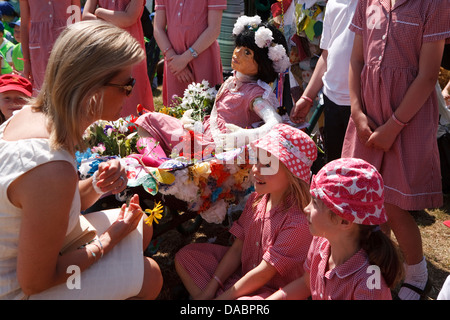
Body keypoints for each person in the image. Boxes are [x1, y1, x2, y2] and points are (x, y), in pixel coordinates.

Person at [0, 20, 163, 300]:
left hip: (22, 258)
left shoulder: (30, 118)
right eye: (127, 84)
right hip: (16, 287)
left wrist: (96, 186)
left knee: (142, 225)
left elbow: (46, 205)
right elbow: (36, 282)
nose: (131, 91)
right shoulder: (51, 168)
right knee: (150, 275)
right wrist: (109, 240)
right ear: (92, 88)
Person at [341, 0, 450, 300]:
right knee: (367, 202)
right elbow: (356, 61)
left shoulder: (434, 5)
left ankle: (418, 273)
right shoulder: (367, 2)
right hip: (367, 117)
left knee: (393, 203)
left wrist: (393, 126)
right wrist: (356, 112)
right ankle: (379, 270)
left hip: (407, 120)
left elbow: (429, 75)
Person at [175, 123, 317, 300]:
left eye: (267, 165)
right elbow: (236, 250)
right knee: (187, 257)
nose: (255, 169)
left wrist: (222, 299)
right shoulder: (256, 199)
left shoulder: (298, 222)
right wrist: (212, 289)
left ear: (291, 174)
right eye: (257, 160)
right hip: (243, 275)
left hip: (272, 292)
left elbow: (264, 274)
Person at [135, 16, 290, 164]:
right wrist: (193, 121)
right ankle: (158, 162)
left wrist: (244, 136)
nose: (236, 53)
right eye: (238, 47)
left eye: (247, 52)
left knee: (151, 123)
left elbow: (275, 123)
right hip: (202, 134)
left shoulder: (256, 95)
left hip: (216, 149)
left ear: (263, 63)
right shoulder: (232, 82)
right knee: (148, 120)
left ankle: (165, 164)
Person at [267, 158, 404, 300]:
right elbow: (306, 283)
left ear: (344, 221)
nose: (306, 208)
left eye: (315, 203)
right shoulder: (321, 242)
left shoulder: (370, 284)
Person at [290, 0, 357, 163]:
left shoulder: (376, 5)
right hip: (332, 100)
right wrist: (307, 97)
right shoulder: (333, 3)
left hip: (361, 105)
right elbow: (326, 55)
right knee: (334, 165)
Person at [82, 0, 154, 117]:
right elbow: (85, 16)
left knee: (132, 94)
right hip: (106, 48)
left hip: (130, 49)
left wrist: (99, 11)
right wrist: (116, 20)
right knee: (107, 90)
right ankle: (108, 132)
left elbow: (129, 18)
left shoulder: (100, 11)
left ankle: (136, 132)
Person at [152, 0, 226, 108]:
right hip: (174, 62)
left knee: (205, 109)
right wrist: (173, 59)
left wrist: (184, 59)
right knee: (175, 111)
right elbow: (158, 28)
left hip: (203, 58)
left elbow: (214, 29)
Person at [19, 0, 81, 95]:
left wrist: (79, 49)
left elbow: (77, 19)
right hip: (39, 46)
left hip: (67, 41)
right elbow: (24, 25)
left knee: (68, 85)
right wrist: (26, 61)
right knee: (43, 88)